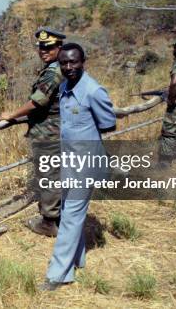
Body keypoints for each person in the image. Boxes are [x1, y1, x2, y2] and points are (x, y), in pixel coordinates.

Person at [41, 42, 116, 291]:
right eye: (64, 62)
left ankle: (57, 275)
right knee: (71, 213)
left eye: (74, 61)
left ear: (83, 61)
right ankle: (77, 259)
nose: (69, 67)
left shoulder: (93, 91)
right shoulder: (64, 87)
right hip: (69, 160)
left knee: (71, 214)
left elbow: (108, 124)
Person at [0, 27, 65, 237]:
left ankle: (48, 222)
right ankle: (59, 217)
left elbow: (39, 100)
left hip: (49, 132)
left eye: (49, 47)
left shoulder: (55, 71)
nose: (44, 50)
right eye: (41, 47)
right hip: (57, 129)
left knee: (48, 176)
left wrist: (12, 114)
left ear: (59, 47)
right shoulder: (60, 67)